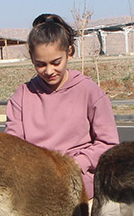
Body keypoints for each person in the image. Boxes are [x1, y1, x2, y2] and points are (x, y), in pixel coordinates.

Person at [7, 13, 119, 199]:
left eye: (56, 62)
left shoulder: (90, 92)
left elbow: (108, 144)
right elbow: (12, 148)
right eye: (40, 65)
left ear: (70, 52)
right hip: (34, 184)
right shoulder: (21, 97)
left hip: (79, 185)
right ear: (31, 58)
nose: (49, 71)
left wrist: (76, 164)